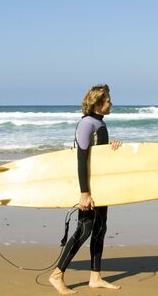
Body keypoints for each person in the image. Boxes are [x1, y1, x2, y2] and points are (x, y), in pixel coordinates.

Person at [49, 84, 122, 294]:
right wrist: (84, 192)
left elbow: (98, 156)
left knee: (100, 228)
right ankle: (57, 274)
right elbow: (81, 159)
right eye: (108, 99)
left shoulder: (98, 123)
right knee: (85, 229)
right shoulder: (86, 124)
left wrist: (112, 148)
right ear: (98, 103)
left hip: (100, 186)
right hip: (88, 187)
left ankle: (95, 277)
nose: (111, 102)